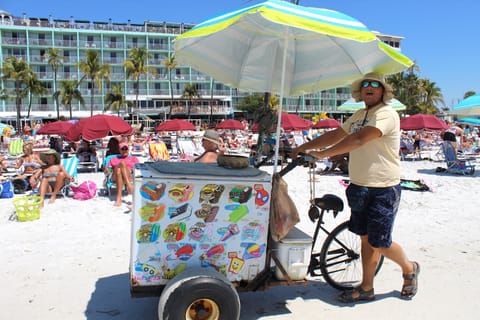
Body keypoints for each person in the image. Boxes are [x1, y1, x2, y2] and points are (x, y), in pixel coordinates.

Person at [291, 72, 419, 302]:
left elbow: (360, 139)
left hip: (383, 187)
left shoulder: (387, 114)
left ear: (382, 91)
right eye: (365, 85)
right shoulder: (360, 114)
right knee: (364, 238)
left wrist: (321, 155)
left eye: (374, 84)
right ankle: (367, 288)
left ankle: (409, 268)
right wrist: (306, 146)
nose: (369, 87)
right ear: (360, 92)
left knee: (380, 242)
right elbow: (336, 134)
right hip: (359, 185)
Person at [105, 142, 139, 206]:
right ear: (119, 150)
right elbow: (108, 170)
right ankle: (129, 186)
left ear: (128, 149)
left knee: (119, 171)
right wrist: (108, 170)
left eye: (126, 149)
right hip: (114, 177)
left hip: (129, 175)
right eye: (122, 149)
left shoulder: (134, 158)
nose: (124, 150)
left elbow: (138, 169)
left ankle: (118, 198)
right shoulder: (113, 159)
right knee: (121, 164)